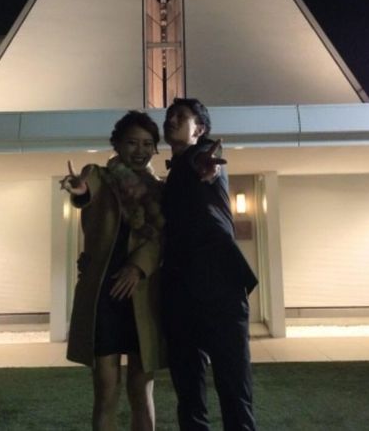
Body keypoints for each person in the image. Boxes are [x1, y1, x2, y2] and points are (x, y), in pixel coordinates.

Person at [60, 110, 165, 431]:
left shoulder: (160, 191)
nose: (140, 150)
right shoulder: (99, 175)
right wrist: (79, 191)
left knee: (141, 391)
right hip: (103, 297)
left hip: (144, 297)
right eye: (132, 142)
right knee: (106, 392)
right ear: (117, 144)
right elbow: (86, 189)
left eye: (147, 143)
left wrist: (137, 267)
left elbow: (162, 238)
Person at [161, 98, 258, 431]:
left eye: (181, 116)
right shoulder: (170, 179)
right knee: (188, 391)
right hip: (179, 290)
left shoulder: (203, 158)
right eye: (169, 115)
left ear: (199, 129)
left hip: (221, 288)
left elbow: (202, 160)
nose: (171, 119)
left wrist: (204, 162)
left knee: (234, 386)